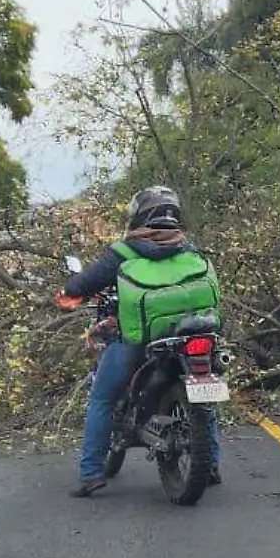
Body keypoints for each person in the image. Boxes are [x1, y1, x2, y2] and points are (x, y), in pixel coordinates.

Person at [64, 186, 223, 498]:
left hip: (139, 338)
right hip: (193, 333)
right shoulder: (188, 249)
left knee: (102, 399)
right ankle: (212, 464)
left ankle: (90, 474)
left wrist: (71, 291)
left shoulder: (123, 252)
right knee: (205, 392)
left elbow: (81, 284)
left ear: (139, 215)